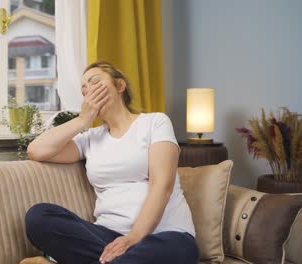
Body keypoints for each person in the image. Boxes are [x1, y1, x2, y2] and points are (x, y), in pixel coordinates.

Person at [20, 61, 199, 264]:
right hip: (106, 237)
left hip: (165, 236)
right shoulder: (90, 138)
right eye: (84, 89)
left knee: (176, 252)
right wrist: (81, 120)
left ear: (120, 86)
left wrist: (133, 238)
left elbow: (162, 185)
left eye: (95, 82)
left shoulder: (155, 122)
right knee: (39, 217)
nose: (89, 91)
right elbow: (36, 150)